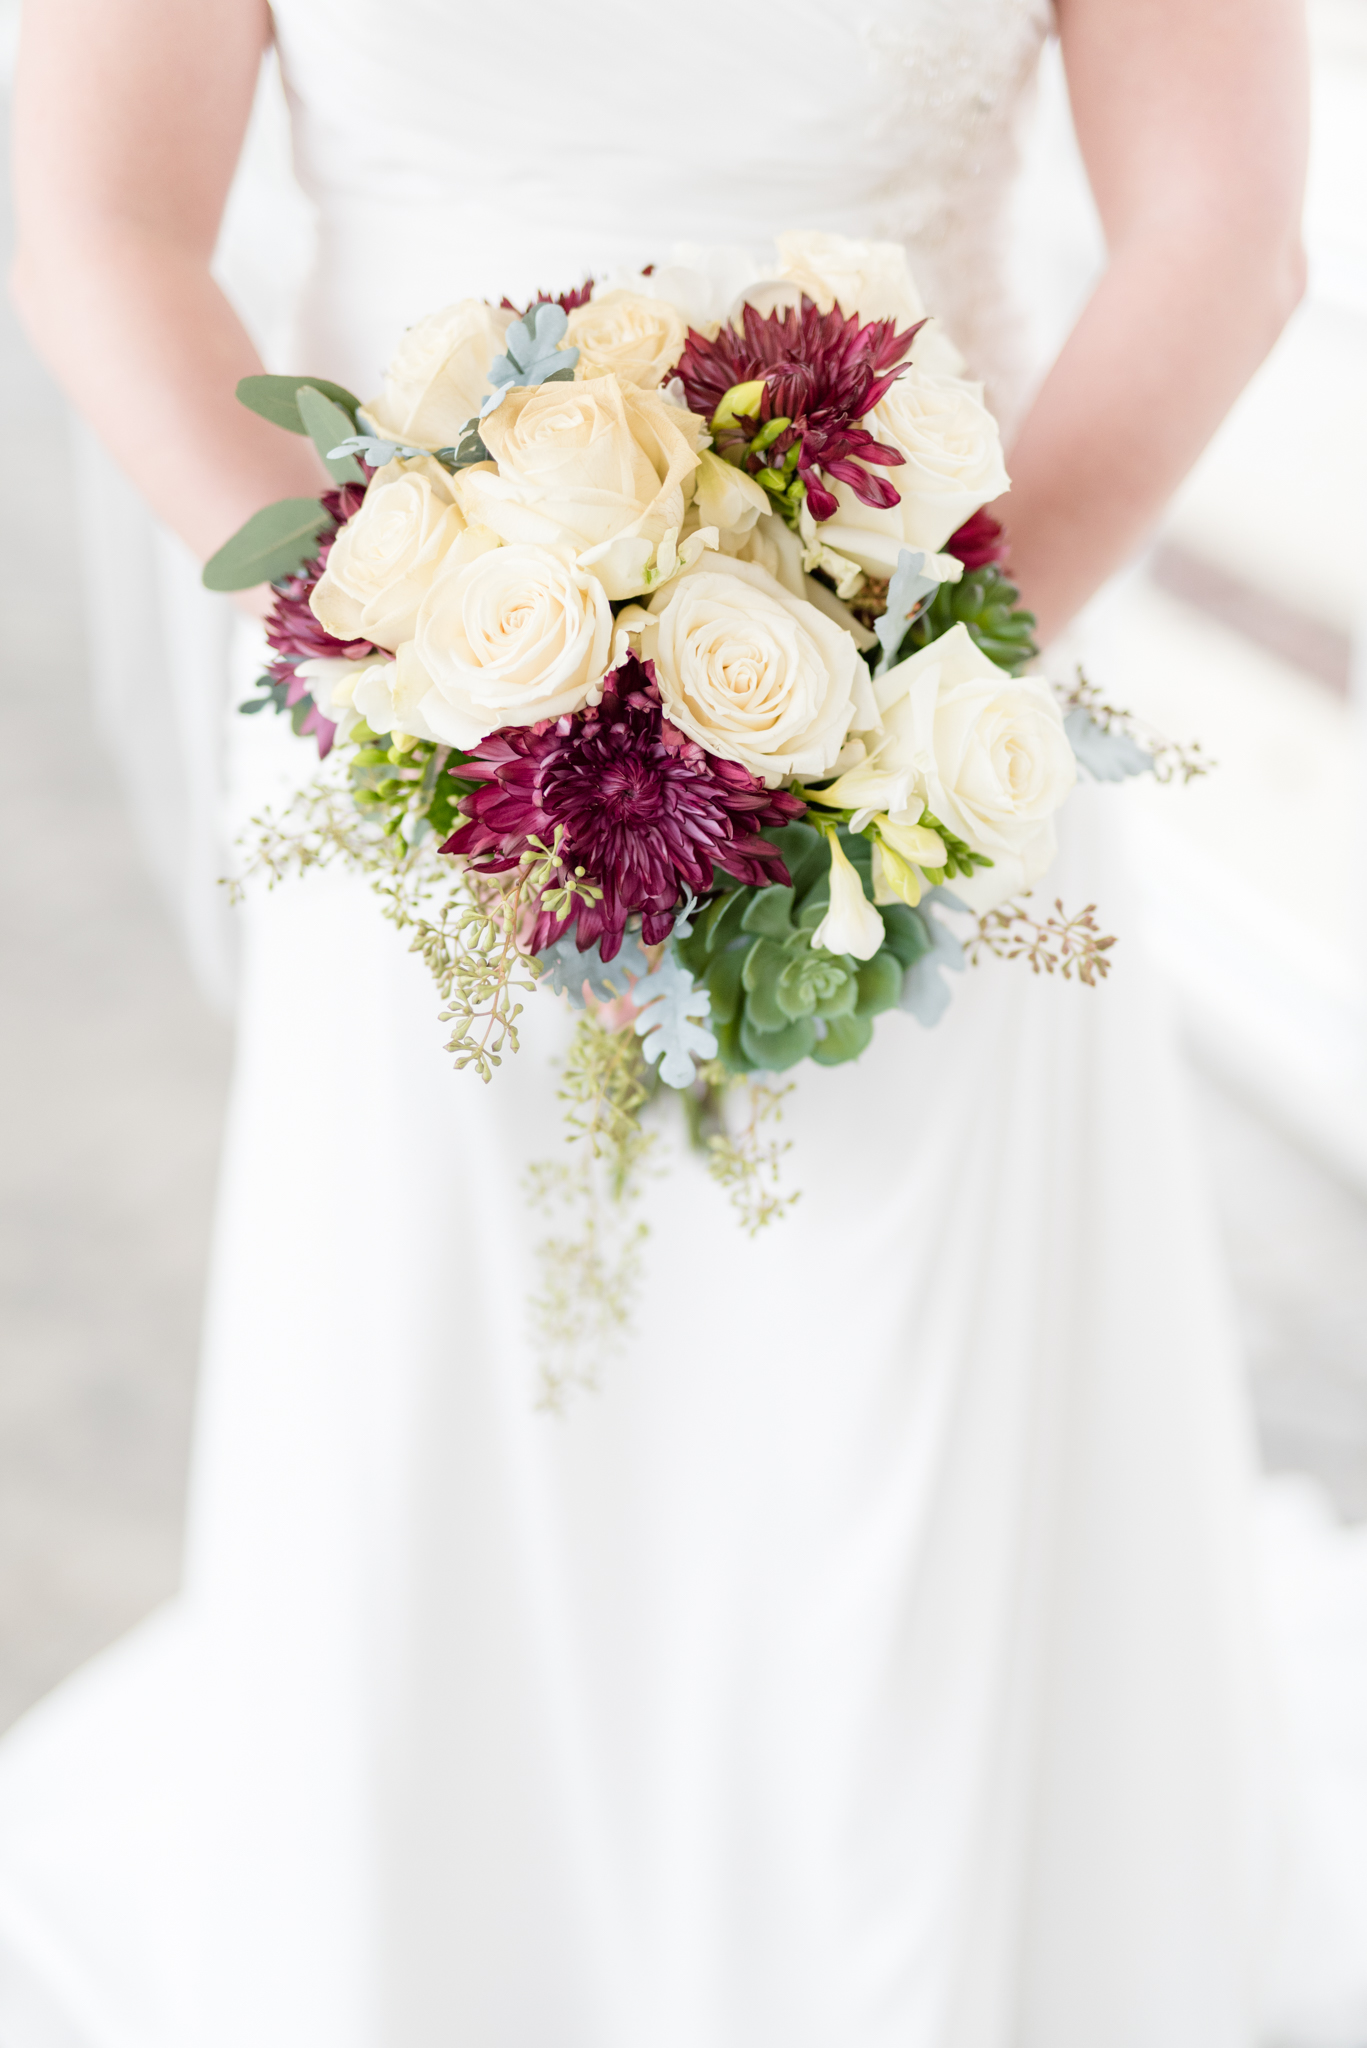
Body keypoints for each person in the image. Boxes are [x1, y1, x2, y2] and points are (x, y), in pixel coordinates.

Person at [6, 2, 1363, 2045]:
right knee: (465, 1412)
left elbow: (1221, 233)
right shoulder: (410, 713)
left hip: (944, 739)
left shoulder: (929, 708)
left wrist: (906, 699)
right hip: (421, 775)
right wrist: (412, 671)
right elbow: (103, 225)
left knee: (896, 1430)